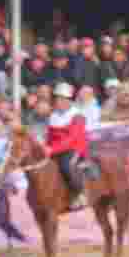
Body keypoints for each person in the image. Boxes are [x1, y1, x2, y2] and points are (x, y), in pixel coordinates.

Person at [45, 83, 89, 211]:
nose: (58, 101)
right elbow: (50, 136)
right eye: (57, 98)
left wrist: (52, 149)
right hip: (55, 149)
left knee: (66, 166)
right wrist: (45, 148)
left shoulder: (77, 116)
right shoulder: (53, 115)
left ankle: (80, 194)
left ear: (68, 100)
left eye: (61, 98)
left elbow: (72, 139)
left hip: (74, 149)